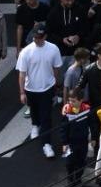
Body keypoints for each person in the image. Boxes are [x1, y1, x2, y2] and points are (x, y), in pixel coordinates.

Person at [17, 23, 66, 158]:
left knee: (46, 117)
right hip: (30, 88)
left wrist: (55, 84)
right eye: (35, 37)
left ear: (45, 36)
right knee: (34, 109)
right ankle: (34, 124)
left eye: (40, 37)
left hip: (47, 88)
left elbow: (57, 68)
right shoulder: (26, 52)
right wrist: (22, 92)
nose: (37, 40)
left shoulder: (53, 49)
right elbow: (22, 73)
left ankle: (47, 144)